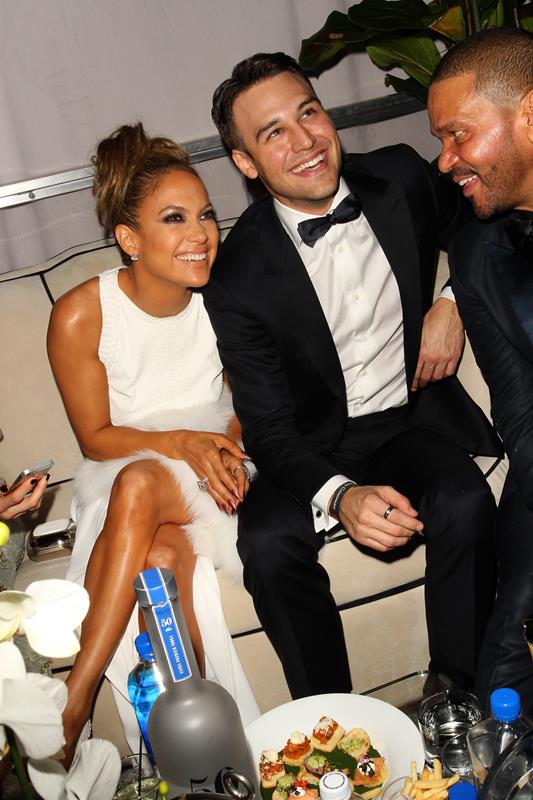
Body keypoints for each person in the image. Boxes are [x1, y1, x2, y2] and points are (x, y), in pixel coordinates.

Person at [204, 52, 503, 700]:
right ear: (246, 163)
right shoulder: (236, 275)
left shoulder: (400, 176)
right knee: (266, 545)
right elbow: (269, 429)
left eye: (308, 113)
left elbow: (481, 222)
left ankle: (454, 697)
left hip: (405, 418)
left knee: (465, 502)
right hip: (306, 442)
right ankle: (334, 718)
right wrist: (341, 496)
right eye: (273, 132)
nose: (304, 140)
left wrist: (451, 301)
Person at [47, 122, 259, 763]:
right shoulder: (82, 313)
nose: (200, 234)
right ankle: (204, 756)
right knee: (158, 562)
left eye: (206, 214)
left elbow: (251, 402)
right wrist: (180, 441)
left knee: (146, 489)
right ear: (130, 239)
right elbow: (96, 439)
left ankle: (73, 703)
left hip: (218, 459)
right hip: (121, 469)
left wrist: (219, 443)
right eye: (175, 219)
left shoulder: (226, 296)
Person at [427, 27, 533, 714]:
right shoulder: (474, 256)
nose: (445, 162)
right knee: (503, 686)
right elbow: (519, 412)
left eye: (457, 135)